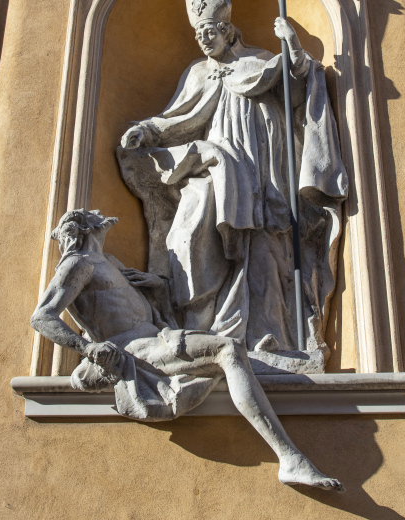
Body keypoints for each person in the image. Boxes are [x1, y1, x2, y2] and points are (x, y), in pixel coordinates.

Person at [118, 0, 347, 357]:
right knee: (192, 230)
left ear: (228, 30)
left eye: (211, 32)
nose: (204, 40)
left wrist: (292, 47)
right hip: (218, 165)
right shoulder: (198, 73)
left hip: (266, 168)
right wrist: (147, 131)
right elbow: (179, 119)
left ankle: (271, 337)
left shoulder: (259, 61)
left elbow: (297, 90)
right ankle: (202, 330)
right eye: (199, 35)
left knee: (267, 245)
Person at [30, 208, 345, 491]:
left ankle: (282, 364)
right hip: (136, 349)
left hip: (159, 336)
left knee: (238, 355)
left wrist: (155, 284)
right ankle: (290, 458)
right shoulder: (77, 264)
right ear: (85, 228)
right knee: (227, 350)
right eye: (89, 214)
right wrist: (87, 348)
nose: (98, 212)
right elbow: (42, 317)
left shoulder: (108, 262)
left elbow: (130, 305)